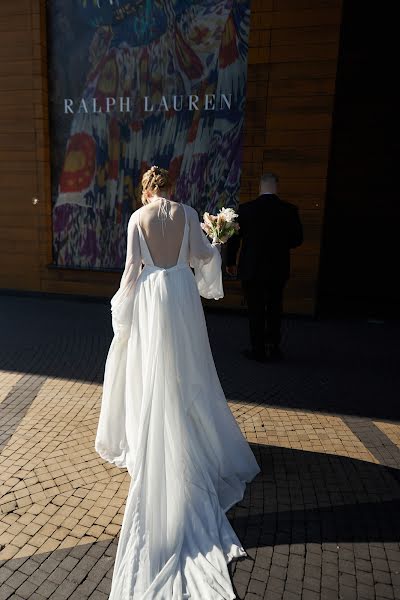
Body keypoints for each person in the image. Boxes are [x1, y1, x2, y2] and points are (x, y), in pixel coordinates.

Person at [94, 166, 260, 599]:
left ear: (148, 191)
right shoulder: (188, 213)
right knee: (190, 367)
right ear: (172, 188)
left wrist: (120, 308)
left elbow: (132, 268)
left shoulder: (137, 218)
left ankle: (156, 429)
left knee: (151, 367)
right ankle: (193, 431)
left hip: (152, 298)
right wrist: (217, 242)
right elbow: (204, 258)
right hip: (182, 297)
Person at [226, 173, 303, 362]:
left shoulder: (245, 210)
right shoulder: (289, 210)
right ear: (277, 187)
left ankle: (258, 349)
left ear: (260, 187)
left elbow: (234, 239)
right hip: (278, 267)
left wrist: (230, 262)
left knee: (255, 309)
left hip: (251, 268)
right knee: (275, 307)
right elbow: (297, 239)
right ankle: (274, 347)